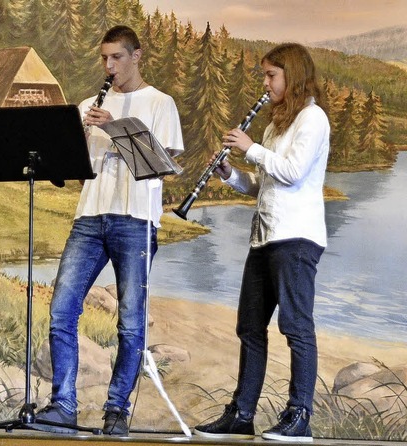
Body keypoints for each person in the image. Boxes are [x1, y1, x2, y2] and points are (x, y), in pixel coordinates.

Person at [30, 25, 184, 436]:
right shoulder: (87, 105)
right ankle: (63, 404)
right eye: (104, 58)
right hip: (90, 216)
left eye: (117, 57)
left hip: (136, 219)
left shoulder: (160, 103)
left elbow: (160, 165)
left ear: (137, 56)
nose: (109, 66)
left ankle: (116, 409)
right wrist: (71, 143)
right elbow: (77, 173)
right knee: (62, 309)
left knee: (131, 323)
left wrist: (115, 126)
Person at [192, 43, 329, 443]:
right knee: (249, 326)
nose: (266, 83)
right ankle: (242, 413)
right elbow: (264, 185)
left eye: (271, 75)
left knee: (296, 326)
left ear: (294, 75)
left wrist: (252, 148)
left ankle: (300, 414)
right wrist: (230, 173)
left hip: (297, 238)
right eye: (265, 76)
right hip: (265, 237)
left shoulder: (312, 118)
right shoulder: (275, 126)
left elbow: (292, 172)